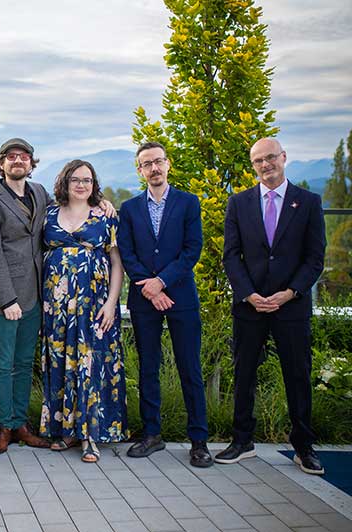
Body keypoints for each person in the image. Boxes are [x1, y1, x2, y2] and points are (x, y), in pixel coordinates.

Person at [0, 138, 116, 454]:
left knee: (24, 363)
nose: (17, 161)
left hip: (39, 297)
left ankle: (21, 424)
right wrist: (7, 299)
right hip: (5, 300)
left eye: (23, 157)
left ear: (31, 163)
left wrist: (103, 201)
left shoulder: (39, 193)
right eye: (11, 157)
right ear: (1, 163)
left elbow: (77, 201)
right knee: (2, 364)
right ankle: (2, 427)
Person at [218, 137, 326, 475]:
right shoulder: (239, 203)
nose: (265, 165)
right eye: (258, 161)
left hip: (290, 307)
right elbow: (231, 256)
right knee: (244, 373)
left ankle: (303, 447)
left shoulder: (307, 202)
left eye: (270, 158)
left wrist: (290, 292)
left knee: (297, 375)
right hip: (250, 306)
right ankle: (242, 441)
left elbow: (314, 258)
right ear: (253, 166)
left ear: (283, 157)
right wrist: (248, 293)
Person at [117, 142, 213, 468]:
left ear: (168, 164)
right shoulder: (129, 209)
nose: (154, 168)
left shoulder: (188, 203)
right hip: (145, 299)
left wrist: (163, 282)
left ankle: (198, 440)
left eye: (158, 162)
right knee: (148, 368)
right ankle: (152, 434)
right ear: (140, 170)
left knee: (190, 368)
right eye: (147, 164)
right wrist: (150, 287)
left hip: (180, 296)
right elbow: (127, 253)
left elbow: (192, 249)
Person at [39, 160, 127, 462]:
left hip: (94, 304)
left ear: (94, 185)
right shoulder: (49, 214)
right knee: (62, 362)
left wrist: (112, 302)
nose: (81, 185)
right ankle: (65, 431)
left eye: (87, 180)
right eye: (75, 179)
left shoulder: (105, 216)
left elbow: (117, 263)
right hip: (57, 306)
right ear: (65, 182)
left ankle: (91, 435)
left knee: (92, 363)